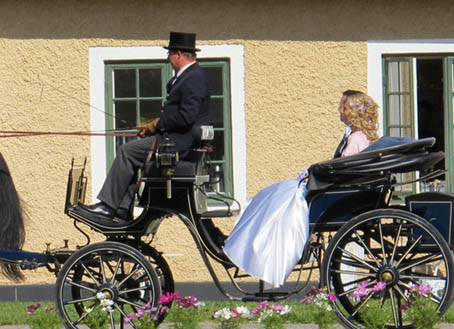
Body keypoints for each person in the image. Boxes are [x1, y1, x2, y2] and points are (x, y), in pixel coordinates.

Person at [222, 91, 379, 288]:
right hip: (340, 191)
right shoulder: (361, 136)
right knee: (277, 193)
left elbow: (342, 170)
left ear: (354, 112)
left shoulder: (356, 138)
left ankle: (267, 251)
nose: (340, 111)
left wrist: (316, 174)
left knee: (280, 197)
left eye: (344, 107)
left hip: (338, 194)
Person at [81, 32, 211, 221]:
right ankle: (122, 209)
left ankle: (109, 206)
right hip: (175, 141)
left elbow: (186, 117)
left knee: (127, 151)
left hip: (178, 145)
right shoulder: (191, 76)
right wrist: (154, 126)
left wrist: (157, 125)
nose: (168, 59)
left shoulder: (193, 78)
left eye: (169, 54)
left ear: (179, 54)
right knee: (133, 152)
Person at [334, 90, 379, 157]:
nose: (340, 110)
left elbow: (346, 164)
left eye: (345, 108)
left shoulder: (355, 138)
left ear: (355, 113)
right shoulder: (369, 137)